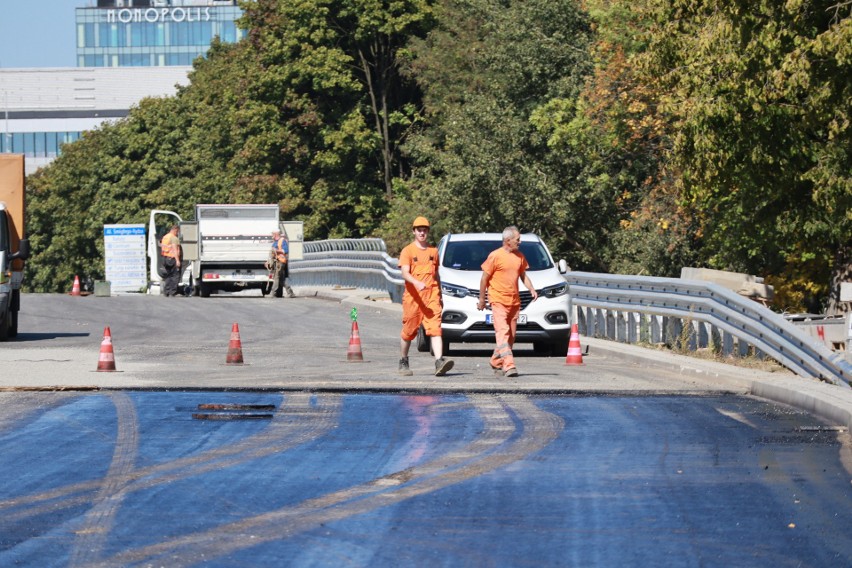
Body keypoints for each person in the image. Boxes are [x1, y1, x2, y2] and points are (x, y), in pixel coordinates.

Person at [477, 226, 538, 377]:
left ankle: (496, 361)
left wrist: (532, 289)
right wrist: (482, 299)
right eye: (517, 240)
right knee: (503, 333)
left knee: (510, 336)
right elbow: (484, 278)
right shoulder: (495, 256)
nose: (520, 242)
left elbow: (523, 275)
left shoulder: (520, 256)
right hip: (498, 300)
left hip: (514, 302)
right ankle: (509, 365)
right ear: (507, 240)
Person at [398, 216, 454, 377]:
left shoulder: (433, 251)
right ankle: (403, 360)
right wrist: (417, 283)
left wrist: (441, 294)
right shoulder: (408, 251)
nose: (422, 233)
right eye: (419, 230)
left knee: (436, 329)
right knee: (408, 331)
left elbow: (436, 274)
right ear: (414, 232)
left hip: (431, 297)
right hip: (413, 298)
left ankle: (439, 361)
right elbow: (405, 273)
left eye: (424, 230)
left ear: (428, 232)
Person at [266, 229, 295, 298]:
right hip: (276, 261)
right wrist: (268, 262)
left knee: (276, 277)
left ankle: (273, 293)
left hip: (281, 261)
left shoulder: (282, 241)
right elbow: (272, 254)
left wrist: (277, 251)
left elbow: (286, 250)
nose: (272, 236)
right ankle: (290, 293)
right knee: (281, 279)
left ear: (276, 234)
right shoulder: (275, 242)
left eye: (272, 234)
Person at [160, 225, 182, 297]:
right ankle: (172, 292)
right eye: (177, 231)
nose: (177, 233)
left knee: (168, 276)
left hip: (165, 259)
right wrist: (177, 260)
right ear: (175, 230)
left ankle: (166, 292)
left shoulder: (165, 237)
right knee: (175, 276)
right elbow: (175, 250)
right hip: (172, 259)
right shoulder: (174, 238)